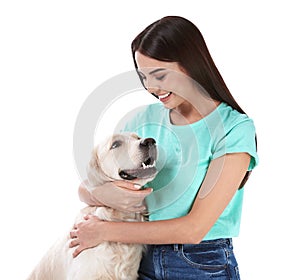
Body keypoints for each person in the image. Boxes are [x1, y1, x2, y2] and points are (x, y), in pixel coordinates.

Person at [69, 16, 258, 279]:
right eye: (144, 77)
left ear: (191, 63)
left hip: (201, 264)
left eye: (160, 75)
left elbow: (194, 229)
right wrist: (102, 195)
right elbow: (87, 185)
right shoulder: (141, 122)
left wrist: (103, 231)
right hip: (137, 259)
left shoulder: (234, 128)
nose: (152, 87)